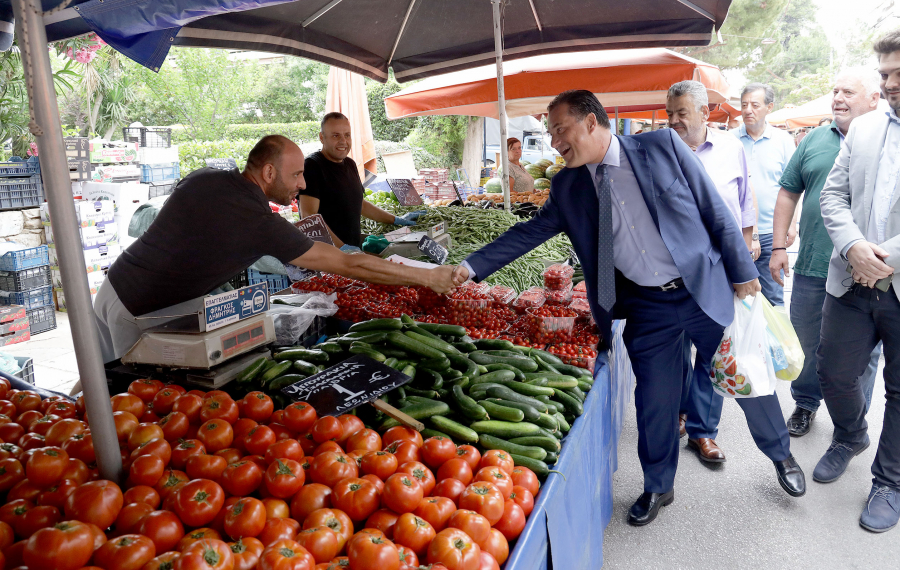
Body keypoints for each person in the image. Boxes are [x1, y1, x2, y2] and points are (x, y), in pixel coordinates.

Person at [454, 90, 804, 526]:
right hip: (646, 304)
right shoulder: (568, 184)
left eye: (560, 130)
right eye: (550, 134)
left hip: (702, 288)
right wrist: (467, 268)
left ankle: (780, 455)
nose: (554, 142)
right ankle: (659, 485)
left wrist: (741, 271)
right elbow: (528, 233)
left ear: (591, 122)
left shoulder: (662, 146)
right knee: (654, 400)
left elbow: (714, 210)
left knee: (744, 374)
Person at [93, 135, 458, 367]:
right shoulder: (256, 220)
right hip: (141, 310)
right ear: (269, 172)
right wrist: (426, 275)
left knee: (95, 384)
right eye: (297, 175)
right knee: (129, 400)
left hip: (113, 288)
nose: (302, 185)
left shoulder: (207, 178)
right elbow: (346, 264)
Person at [816, 29, 900, 533]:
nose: (889, 83)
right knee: (834, 373)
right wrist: (853, 246)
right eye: (886, 74)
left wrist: (884, 256)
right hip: (851, 281)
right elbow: (832, 196)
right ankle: (850, 434)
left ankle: (889, 481)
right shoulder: (864, 129)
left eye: (898, 74)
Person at [769, 68, 883, 437]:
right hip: (813, 265)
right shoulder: (815, 139)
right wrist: (779, 246)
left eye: (848, 91)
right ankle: (805, 403)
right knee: (807, 341)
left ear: (873, 98)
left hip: (869, 271)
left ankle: (851, 423)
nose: (837, 98)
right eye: (835, 91)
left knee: (862, 354)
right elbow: (789, 191)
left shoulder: (887, 142)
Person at [666, 80, 757, 464]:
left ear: (705, 113)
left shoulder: (731, 149)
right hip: (673, 272)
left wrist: (745, 259)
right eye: (669, 114)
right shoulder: (660, 152)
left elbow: (744, 204)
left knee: (711, 352)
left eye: (681, 113)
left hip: (719, 268)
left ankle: (703, 432)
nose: (674, 121)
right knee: (675, 349)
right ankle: (679, 414)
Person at [299, 113, 422, 249]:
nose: (343, 141)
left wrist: (396, 220)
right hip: (327, 255)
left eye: (347, 135)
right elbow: (309, 216)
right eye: (336, 135)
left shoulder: (350, 164)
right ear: (322, 137)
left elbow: (360, 205)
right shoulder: (312, 166)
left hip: (351, 249)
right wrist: (341, 249)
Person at [733, 83, 798, 306]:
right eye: (744, 105)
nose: (748, 110)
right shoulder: (729, 141)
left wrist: (791, 224)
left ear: (769, 107)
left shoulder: (783, 141)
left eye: (755, 105)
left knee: (772, 296)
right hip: (737, 232)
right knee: (738, 297)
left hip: (772, 231)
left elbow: (794, 187)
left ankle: (776, 342)